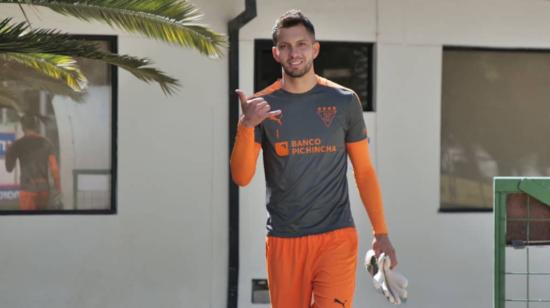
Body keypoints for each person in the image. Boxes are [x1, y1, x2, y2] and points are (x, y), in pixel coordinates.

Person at [230, 9, 397, 308]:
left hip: (336, 238)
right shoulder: (260, 107)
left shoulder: (344, 101)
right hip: (284, 241)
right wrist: (246, 126)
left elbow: (364, 171)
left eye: (302, 44)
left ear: (315, 49)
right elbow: (241, 177)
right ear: (276, 53)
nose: (294, 53)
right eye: (285, 46)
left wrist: (381, 233)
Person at [5, 115, 61, 210]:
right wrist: (58, 187)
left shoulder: (17, 144)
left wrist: (8, 152)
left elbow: (9, 168)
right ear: (36, 126)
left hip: (27, 190)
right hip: (44, 190)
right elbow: (54, 168)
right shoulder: (47, 143)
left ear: (23, 127)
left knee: (27, 221)